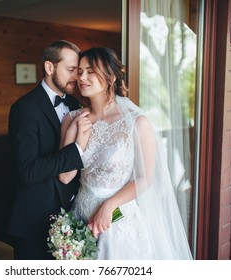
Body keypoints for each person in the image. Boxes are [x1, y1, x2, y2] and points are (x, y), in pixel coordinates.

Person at [59, 47, 193, 259]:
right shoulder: (72, 118)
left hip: (119, 219)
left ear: (111, 76)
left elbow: (145, 178)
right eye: (80, 71)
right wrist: (75, 136)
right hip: (81, 217)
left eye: (90, 71)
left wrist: (109, 205)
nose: (82, 77)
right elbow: (65, 177)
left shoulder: (137, 122)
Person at [7, 40, 92, 260]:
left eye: (79, 71)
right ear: (49, 67)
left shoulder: (76, 105)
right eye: (71, 70)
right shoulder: (24, 109)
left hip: (72, 218)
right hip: (34, 221)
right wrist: (75, 152)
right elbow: (28, 170)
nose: (77, 77)